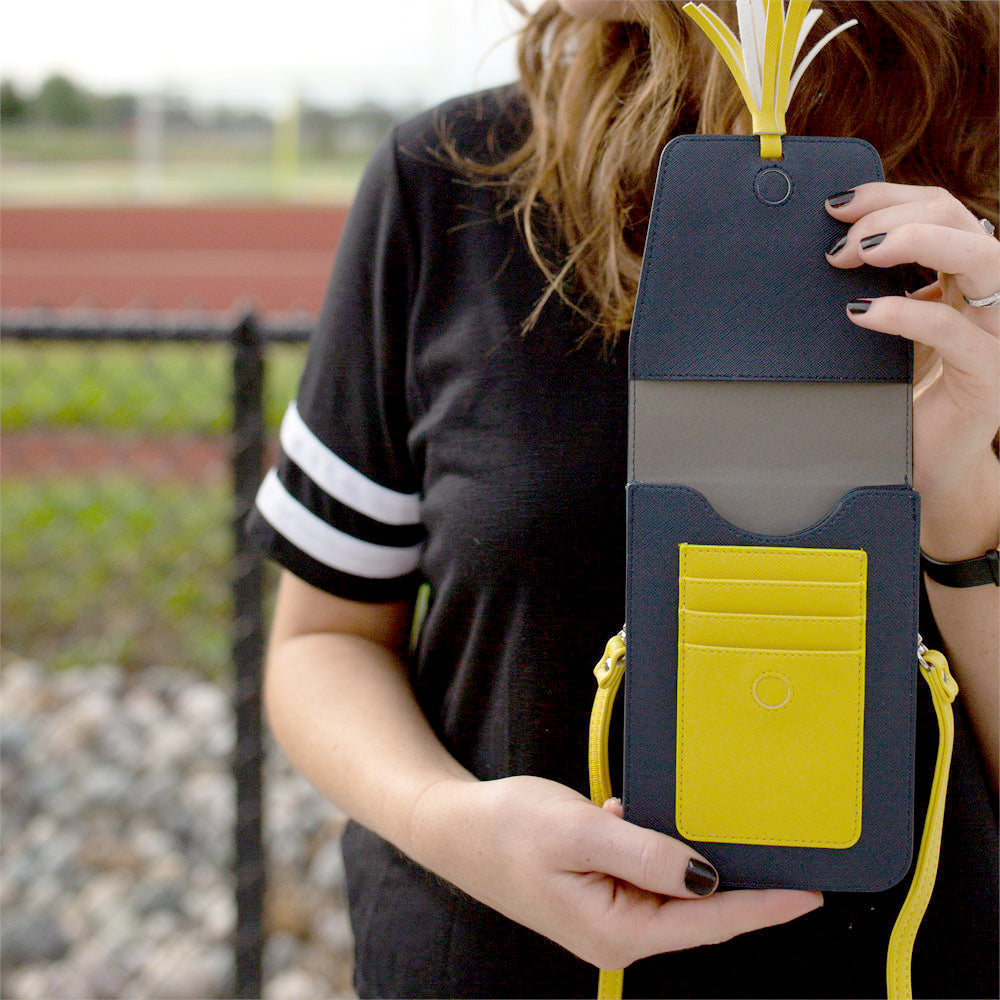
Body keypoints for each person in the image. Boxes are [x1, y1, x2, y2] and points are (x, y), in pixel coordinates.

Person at [247, 1, 999, 996]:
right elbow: (322, 638)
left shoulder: (980, 210)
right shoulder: (451, 177)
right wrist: (451, 825)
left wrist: (959, 512)